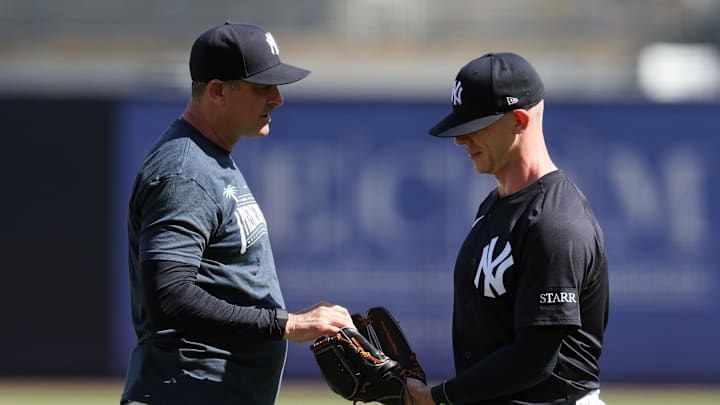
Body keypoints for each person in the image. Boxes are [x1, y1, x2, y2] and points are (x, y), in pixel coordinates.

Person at [120, 22, 355, 405]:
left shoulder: (210, 160)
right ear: (217, 91)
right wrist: (287, 323)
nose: (277, 98)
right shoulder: (184, 171)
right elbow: (170, 296)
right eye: (263, 87)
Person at [404, 53, 609, 404]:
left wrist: (439, 398)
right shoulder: (497, 204)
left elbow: (534, 359)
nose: (460, 140)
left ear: (518, 120)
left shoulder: (554, 222)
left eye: (474, 126)